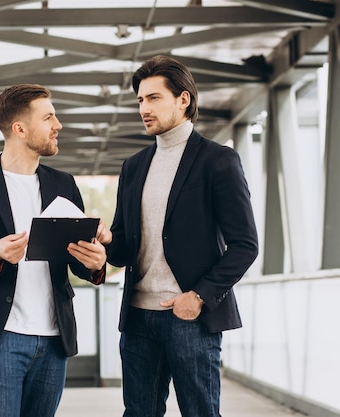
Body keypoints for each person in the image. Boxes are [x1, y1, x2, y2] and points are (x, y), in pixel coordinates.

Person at [103, 55, 259, 417]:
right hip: (138, 318)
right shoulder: (134, 166)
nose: (144, 108)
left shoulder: (218, 161)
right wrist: (107, 240)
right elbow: (125, 248)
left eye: (154, 98)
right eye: (140, 100)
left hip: (190, 318)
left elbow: (245, 245)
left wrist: (200, 297)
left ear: (184, 99)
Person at [0, 83, 110, 417]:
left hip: (53, 340)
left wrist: (95, 263)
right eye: (48, 117)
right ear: (20, 129)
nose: (58, 125)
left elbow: (75, 259)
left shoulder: (63, 184)